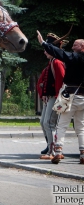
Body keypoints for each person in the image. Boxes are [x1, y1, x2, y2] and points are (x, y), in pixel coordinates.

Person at [37, 30, 84, 164]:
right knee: (81, 127)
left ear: (82, 47)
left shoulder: (76, 57)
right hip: (83, 97)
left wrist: (44, 43)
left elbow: (61, 54)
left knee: (61, 124)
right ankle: (82, 154)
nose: (73, 47)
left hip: (71, 96)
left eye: (75, 45)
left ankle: (57, 152)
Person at [36, 33, 66, 159]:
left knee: (49, 122)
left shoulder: (57, 62)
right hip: (50, 97)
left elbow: (61, 81)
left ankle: (53, 151)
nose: (45, 52)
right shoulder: (52, 62)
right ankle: (50, 147)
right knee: (44, 122)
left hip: (55, 97)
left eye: (47, 49)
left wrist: (58, 97)